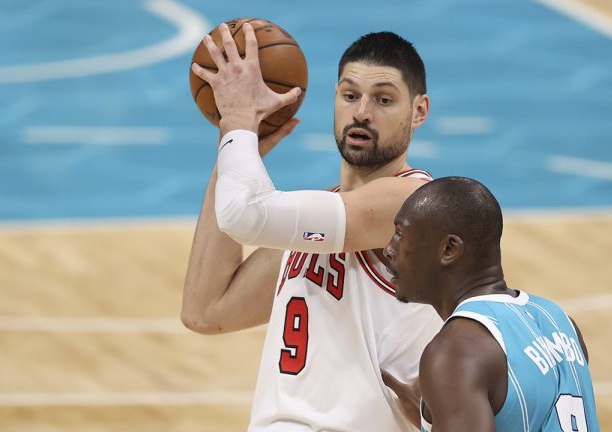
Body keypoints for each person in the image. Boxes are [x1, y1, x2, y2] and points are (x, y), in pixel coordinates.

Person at [182, 22, 442, 431]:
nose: (361, 112)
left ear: (419, 111)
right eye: (350, 95)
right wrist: (231, 150)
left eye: (384, 99)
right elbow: (206, 310)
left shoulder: (411, 205)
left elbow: (247, 214)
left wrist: (239, 123)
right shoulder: (319, 221)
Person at [382, 176, 600, 432]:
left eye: (400, 234)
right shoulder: (560, 320)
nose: (389, 249)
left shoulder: (457, 351)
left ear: (449, 249)